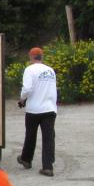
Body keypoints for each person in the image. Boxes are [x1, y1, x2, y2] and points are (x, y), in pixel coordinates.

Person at [17, 47, 58, 177]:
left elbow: (27, 88)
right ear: (42, 57)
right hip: (50, 108)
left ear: (31, 56)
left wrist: (22, 99)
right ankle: (48, 167)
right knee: (48, 138)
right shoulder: (50, 70)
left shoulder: (29, 70)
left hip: (34, 109)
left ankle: (26, 159)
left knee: (30, 135)